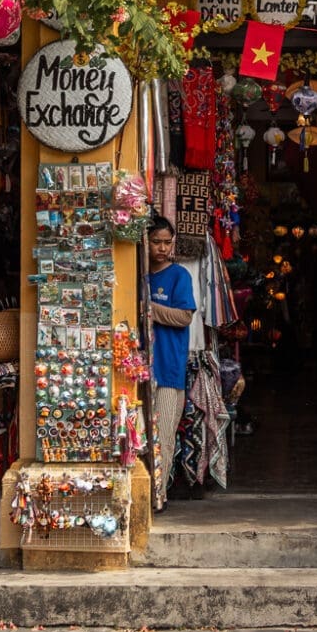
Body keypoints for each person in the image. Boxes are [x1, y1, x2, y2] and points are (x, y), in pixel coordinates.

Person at [145, 215, 195, 509]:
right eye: (156, 242)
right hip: (139, 371)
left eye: (167, 242)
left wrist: (148, 309)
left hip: (168, 370)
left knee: (163, 436)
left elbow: (184, 317)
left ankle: (157, 495)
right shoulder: (139, 276)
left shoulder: (179, 276)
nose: (162, 248)